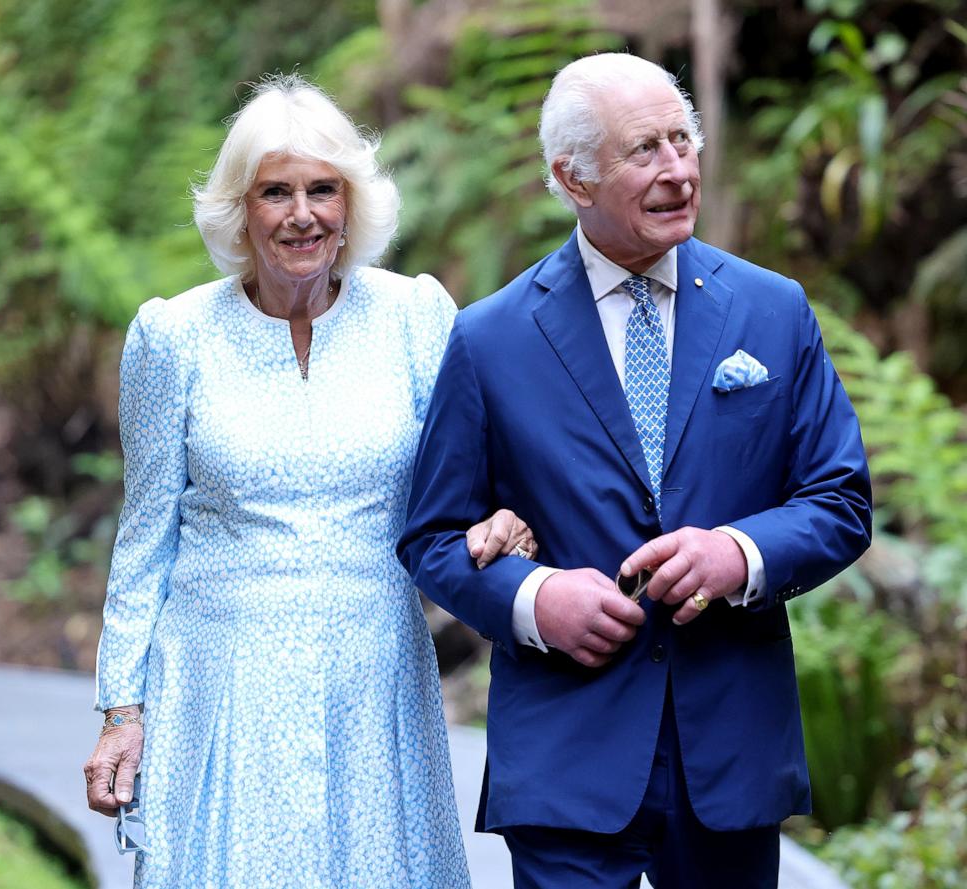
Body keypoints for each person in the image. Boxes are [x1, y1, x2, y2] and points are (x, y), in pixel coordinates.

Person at [399, 53, 872, 889]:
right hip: (565, 755)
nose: (679, 170)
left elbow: (840, 498)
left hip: (729, 749)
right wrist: (536, 600)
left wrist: (739, 553)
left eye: (682, 140)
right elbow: (432, 536)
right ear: (572, 179)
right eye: (643, 150)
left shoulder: (773, 309)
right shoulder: (489, 339)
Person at [83, 74, 538, 889]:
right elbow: (145, 534)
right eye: (276, 192)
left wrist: (500, 520)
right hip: (221, 680)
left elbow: (469, 481)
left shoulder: (415, 316)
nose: (302, 213)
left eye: (322, 189)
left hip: (374, 675)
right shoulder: (173, 335)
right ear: (240, 209)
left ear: (351, 201)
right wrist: (123, 709)